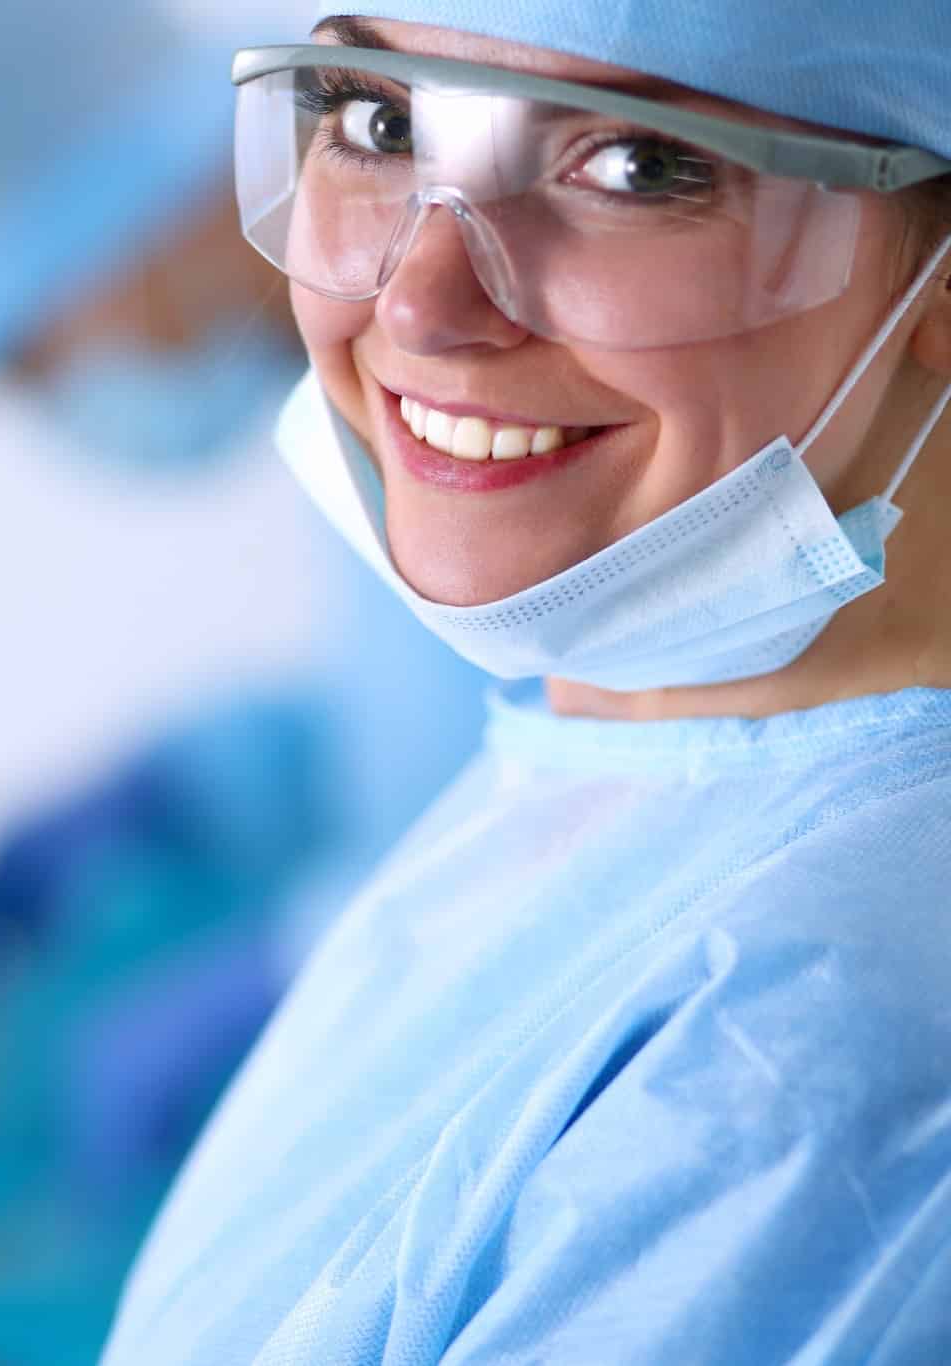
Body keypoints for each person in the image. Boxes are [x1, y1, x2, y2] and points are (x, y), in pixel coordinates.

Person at [102, 3, 951, 1361]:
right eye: (377, 121)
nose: (420, 301)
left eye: (636, 165)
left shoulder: (808, 1054)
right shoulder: (615, 768)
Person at [0, 0, 489, 1210]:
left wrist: (301, 963)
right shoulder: (359, 403)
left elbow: (598, 776)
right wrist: (191, 783)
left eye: (32, 352)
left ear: (127, 207)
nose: (48, 400)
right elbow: (440, 718)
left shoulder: (483, 351)